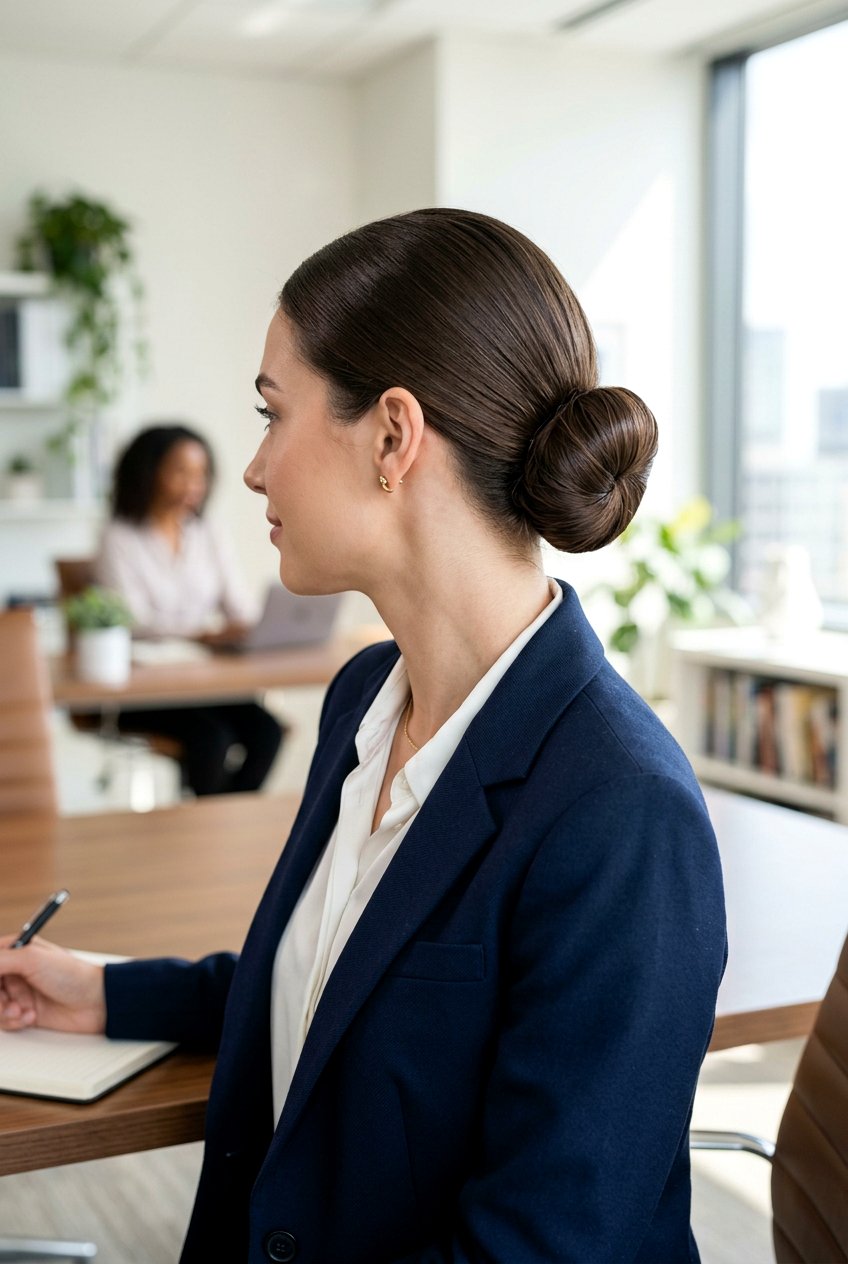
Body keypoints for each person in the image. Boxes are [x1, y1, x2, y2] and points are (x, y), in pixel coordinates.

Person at [0, 209, 726, 1263]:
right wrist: (105, 989)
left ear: (392, 436)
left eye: (269, 413)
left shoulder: (619, 814)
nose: (250, 471)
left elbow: (543, 1246)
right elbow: (339, 976)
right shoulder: (365, 697)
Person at [94, 423, 284, 795]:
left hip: (204, 680)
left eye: (201, 473)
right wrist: (201, 633)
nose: (193, 484)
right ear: (149, 473)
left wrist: (253, 627)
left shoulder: (207, 531)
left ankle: (224, 827)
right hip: (146, 688)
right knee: (212, 739)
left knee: (267, 732)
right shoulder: (118, 537)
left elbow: (238, 606)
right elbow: (132, 622)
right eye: (180, 471)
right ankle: (212, 835)